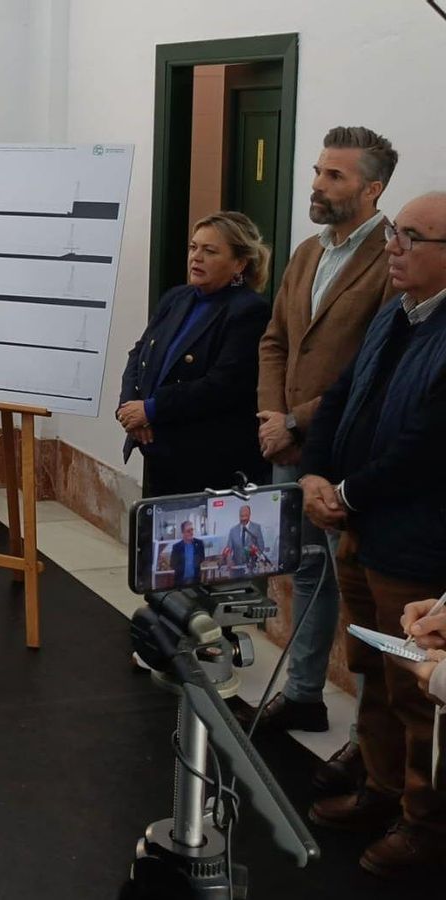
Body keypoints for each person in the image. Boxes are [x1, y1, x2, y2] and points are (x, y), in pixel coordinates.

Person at [299, 192, 446, 879]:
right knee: (373, 673)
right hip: (359, 528)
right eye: (395, 232)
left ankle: (424, 824)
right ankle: (381, 790)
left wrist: (346, 493)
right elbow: (338, 395)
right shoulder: (395, 312)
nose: (393, 246)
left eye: (411, 237)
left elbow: (428, 446)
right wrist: (315, 475)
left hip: (417, 546)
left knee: (418, 693)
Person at [244, 127, 398, 775]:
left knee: (360, 586)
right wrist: (272, 414)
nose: (317, 184)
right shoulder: (308, 251)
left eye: (334, 177)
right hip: (288, 438)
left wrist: (299, 423)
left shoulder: (391, 260)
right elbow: (276, 338)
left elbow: (374, 364)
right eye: (317, 171)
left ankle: (371, 739)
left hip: (348, 448)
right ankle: (305, 693)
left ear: (372, 188)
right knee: (306, 568)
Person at [117, 212, 272, 496]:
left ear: (239, 263)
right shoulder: (178, 297)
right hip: (157, 449)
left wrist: (152, 409)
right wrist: (130, 407)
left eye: (209, 251)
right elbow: (139, 353)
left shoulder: (249, 311)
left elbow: (222, 385)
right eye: (193, 247)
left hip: (205, 461)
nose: (196, 257)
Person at [222, 505, 267, 576]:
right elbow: (228, 548)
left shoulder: (256, 528)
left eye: (245, 515)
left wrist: (254, 556)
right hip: (236, 569)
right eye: (241, 516)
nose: (243, 518)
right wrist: (229, 559)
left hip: (252, 569)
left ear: (249, 515)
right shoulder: (233, 530)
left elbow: (261, 546)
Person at [168, 520, 206, 584]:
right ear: (183, 533)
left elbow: (202, 558)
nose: (191, 533)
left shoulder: (199, 544)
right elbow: (173, 564)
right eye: (188, 531)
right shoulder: (176, 547)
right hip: (180, 581)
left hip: (195, 580)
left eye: (192, 530)